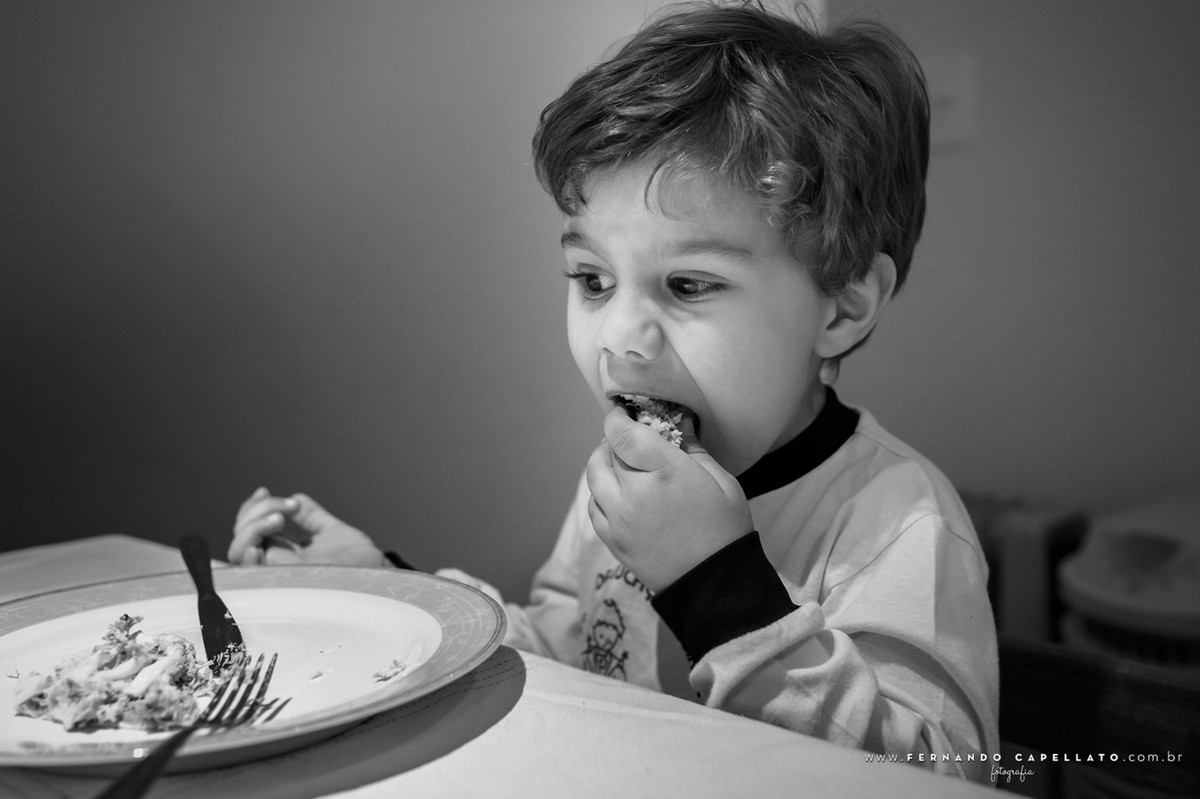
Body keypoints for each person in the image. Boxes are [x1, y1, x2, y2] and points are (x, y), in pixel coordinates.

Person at [229, 1, 999, 781]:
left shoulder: (898, 521)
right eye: (592, 279)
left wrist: (716, 585)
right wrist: (394, 591)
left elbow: (939, 777)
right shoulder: (625, 487)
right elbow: (564, 666)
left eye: (689, 284)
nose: (620, 335)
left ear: (843, 303)